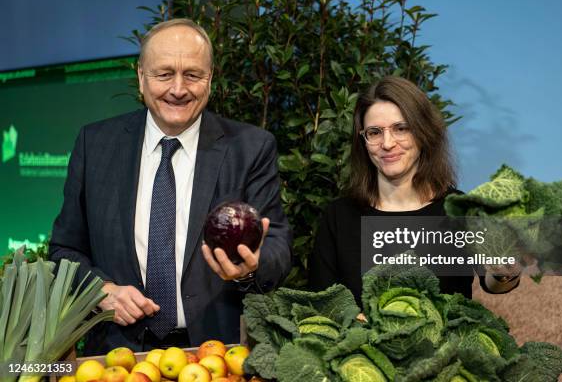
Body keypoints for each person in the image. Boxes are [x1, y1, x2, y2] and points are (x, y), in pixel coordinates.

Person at [49, 18, 292, 354]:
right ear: (141, 76)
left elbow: (278, 248)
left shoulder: (251, 147)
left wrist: (249, 269)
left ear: (209, 79)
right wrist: (100, 290)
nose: (178, 89)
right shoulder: (96, 144)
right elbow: (64, 250)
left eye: (192, 74)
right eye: (164, 74)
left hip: (217, 354)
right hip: (115, 355)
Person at [308, 76, 519, 301]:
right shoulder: (339, 216)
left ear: (423, 132)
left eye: (401, 128)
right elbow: (322, 305)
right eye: (374, 132)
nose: (387, 144)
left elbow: (495, 282)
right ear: (363, 140)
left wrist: (505, 272)